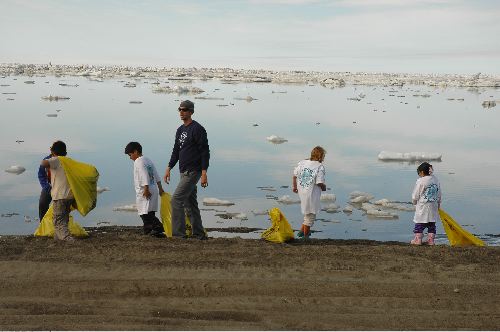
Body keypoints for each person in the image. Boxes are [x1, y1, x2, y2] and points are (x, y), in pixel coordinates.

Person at [164, 100, 210, 239]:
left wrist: (203, 172)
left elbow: (204, 151)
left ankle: (178, 235)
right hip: (183, 172)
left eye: (184, 110)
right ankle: (199, 234)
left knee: (176, 200)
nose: (181, 112)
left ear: (191, 112)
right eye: (180, 110)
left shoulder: (197, 129)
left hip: (193, 171)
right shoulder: (180, 130)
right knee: (190, 204)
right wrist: (169, 167)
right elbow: (176, 151)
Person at [124, 142, 165, 237]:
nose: (130, 158)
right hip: (153, 188)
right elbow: (156, 174)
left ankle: (157, 227)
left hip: (145, 191)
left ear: (135, 152)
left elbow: (144, 175)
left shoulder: (138, 161)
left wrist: (146, 189)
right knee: (150, 212)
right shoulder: (148, 160)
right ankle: (149, 231)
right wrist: (160, 188)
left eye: (130, 155)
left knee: (144, 213)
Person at [40, 141, 75, 241]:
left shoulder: (55, 160)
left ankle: (67, 238)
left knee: (58, 220)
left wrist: (51, 157)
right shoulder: (68, 161)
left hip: (60, 196)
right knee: (64, 218)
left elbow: (43, 163)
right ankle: (57, 237)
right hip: (69, 195)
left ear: (53, 152)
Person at [292, 146, 327, 239]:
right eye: (323, 156)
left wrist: (295, 187)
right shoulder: (319, 167)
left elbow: (295, 176)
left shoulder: (302, 163)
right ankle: (306, 237)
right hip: (311, 194)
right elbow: (319, 182)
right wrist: (324, 187)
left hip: (302, 192)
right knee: (310, 216)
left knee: (307, 213)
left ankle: (301, 232)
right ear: (321, 156)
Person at [410, 162, 441, 245]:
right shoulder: (435, 179)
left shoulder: (421, 181)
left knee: (420, 223)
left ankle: (418, 240)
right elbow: (439, 193)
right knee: (431, 224)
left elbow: (416, 195)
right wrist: (438, 203)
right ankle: (431, 240)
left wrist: (414, 202)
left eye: (419, 173)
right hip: (433, 205)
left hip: (423, 206)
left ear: (422, 172)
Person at [38, 154, 52, 221]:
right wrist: (45, 186)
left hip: (61, 188)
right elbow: (41, 175)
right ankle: (42, 224)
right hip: (48, 186)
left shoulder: (65, 161)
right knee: (42, 203)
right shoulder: (46, 160)